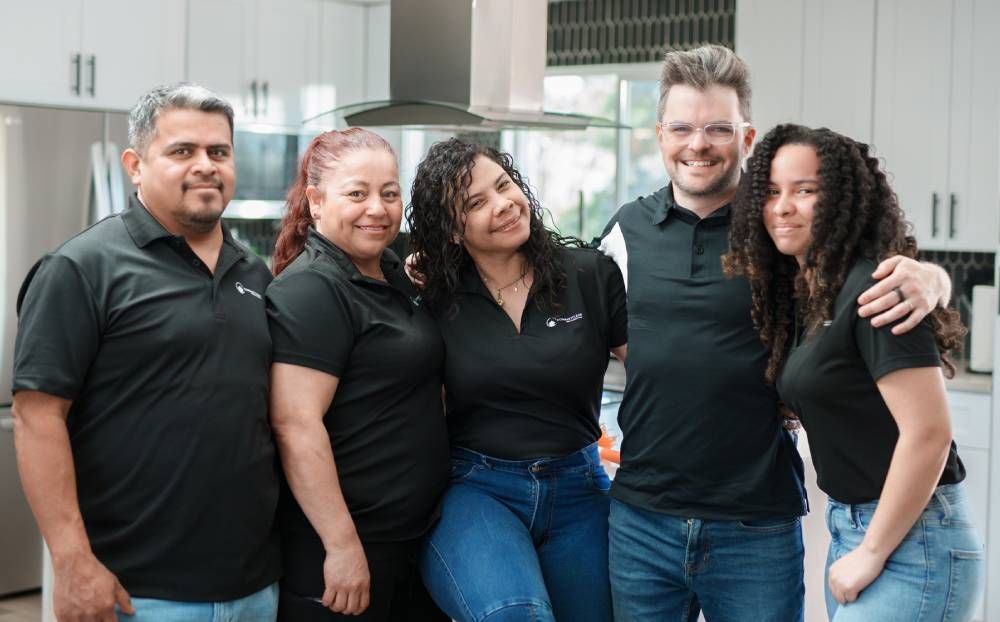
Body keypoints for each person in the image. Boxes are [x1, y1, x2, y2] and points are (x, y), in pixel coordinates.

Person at [598, 45, 954, 621]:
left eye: (718, 128)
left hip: (754, 524)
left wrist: (932, 277)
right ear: (660, 133)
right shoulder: (624, 230)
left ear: (745, 136)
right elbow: (566, 307)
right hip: (640, 522)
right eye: (683, 127)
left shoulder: (782, 228)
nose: (698, 144)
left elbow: (871, 264)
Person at [11, 83, 281, 621]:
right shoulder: (81, 268)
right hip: (135, 592)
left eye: (218, 152)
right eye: (183, 151)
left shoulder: (254, 273)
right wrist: (72, 563)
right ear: (135, 165)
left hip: (254, 586)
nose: (205, 165)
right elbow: (37, 418)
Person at [723, 123, 984, 621]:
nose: (783, 207)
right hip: (856, 528)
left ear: (843, 199)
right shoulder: (809, 292)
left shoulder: (877, 290)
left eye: (805, 191)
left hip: (912, 539)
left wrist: (871, 551)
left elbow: (929, 433)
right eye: (773, 192)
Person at [406, 138, 627, 622]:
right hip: (478, 489)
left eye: (504, 186)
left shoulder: (588, 275)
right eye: (476, 203)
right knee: (515, 616)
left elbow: (659, 372)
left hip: (580, 488)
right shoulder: (436, 301)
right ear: (451, 231)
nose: (503, 205)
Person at [265, 128, 450, 621]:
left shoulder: (388, 269)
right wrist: (342, 546)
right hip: (347, 547)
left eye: (389, 193)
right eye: (357, 193)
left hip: (411, 540)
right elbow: (296, 425)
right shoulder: (311, 291)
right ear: (316, 200)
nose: (378, 208)